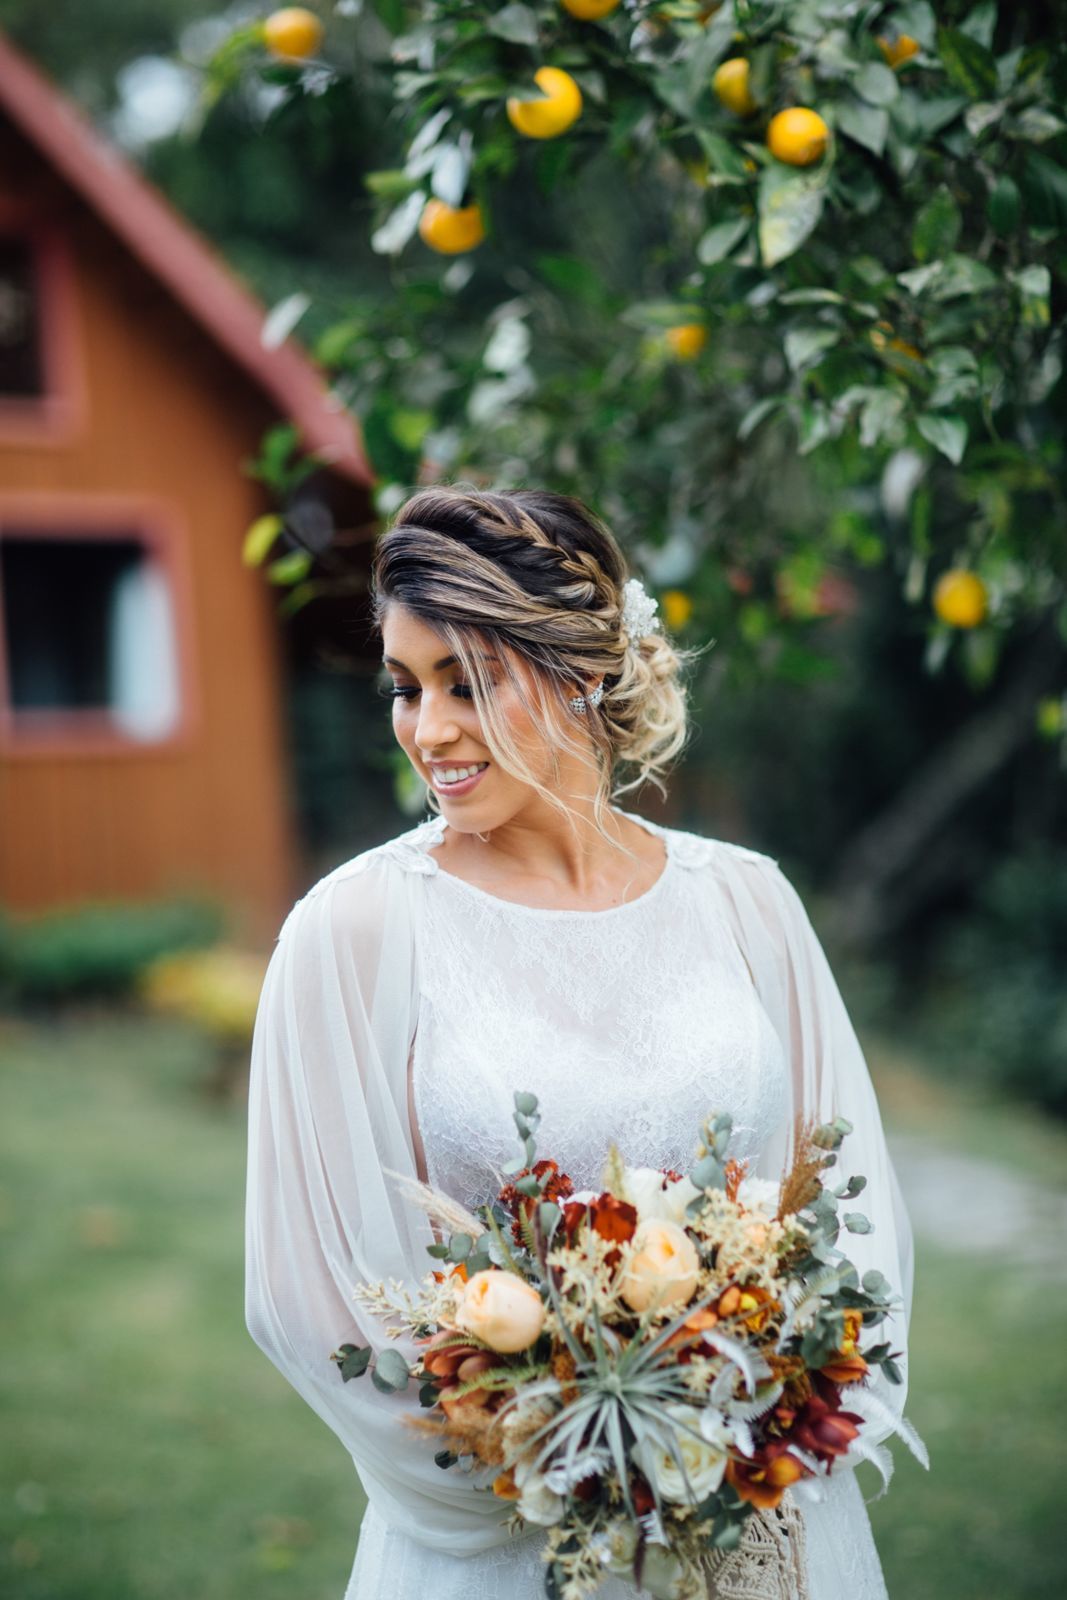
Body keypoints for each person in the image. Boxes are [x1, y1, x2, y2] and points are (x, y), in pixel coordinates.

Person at [244, 485, 915, 1600]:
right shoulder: (354, 930)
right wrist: (575, 1466)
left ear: (583, 670)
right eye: (405, 688)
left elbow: (847, 1207)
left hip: (762, 1512)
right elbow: (307, 1297)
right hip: (508, 1546)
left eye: (468, 681)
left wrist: (753, 1441)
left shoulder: (747, 902)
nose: (427, 730)